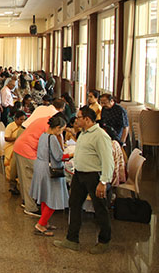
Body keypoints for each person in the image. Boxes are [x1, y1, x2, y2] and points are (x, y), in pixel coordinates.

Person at [54, 106, 114, 254]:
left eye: (79, 117)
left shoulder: (100, 135)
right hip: (79, 174)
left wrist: (103, 181)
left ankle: (104, 240)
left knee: (99, 208)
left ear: (87, 119)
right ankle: (72, 239)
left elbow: (108, 160)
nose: (76, 120)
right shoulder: (83, 133)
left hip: (93, 175)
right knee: (74, 204)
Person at [30, 114, 69, 237]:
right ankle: (40, 224)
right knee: (54, 197)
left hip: (40, 166)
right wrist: (71, 155)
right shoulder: (52, 138)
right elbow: (58, 156)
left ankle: (45, 221)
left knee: (45, 196)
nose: (61, 133)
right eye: (62, 130)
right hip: (49, 170)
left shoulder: (43, 135)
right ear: (57, 128)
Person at [4, 110, 26, 195]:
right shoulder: (10, 126)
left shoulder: (24, 127)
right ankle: (12, 183)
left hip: (21, 147)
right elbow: (6, 138)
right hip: (11, 147)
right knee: (12, 165)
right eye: (21, 119)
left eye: (24, 119)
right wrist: (17, 138)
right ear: (16, 119)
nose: (23, 121)